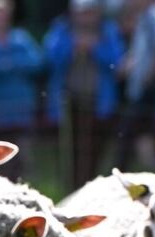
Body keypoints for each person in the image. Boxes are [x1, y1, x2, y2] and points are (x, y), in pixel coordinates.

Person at [44, 0, 124, 190]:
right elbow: (51, 59)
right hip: (68, 104)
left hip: (99, 105)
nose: (85, 17)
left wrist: (94, 49)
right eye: (82, 12)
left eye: (90, 12)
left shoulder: (108, 31)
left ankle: (90, 189)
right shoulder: (62, 29)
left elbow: (117, 62)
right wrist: (74, 48)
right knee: (68, 155)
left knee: (94, 154)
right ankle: (69, 190)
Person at [0, 0, 42, 174]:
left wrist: (8, 64)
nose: (0, 19)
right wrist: (5, 66)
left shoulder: (21, 38)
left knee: (21, 159)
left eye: (3, 15)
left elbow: (38, 62)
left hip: (20, 111)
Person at [115, 0, 155, 169]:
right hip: (140, 88)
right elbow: (142, 50)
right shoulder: (144, 16)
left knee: (132, 134)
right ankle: (146, 169)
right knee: (139, 133)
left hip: (150, 89)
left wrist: (150, 78)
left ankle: (141, 172)